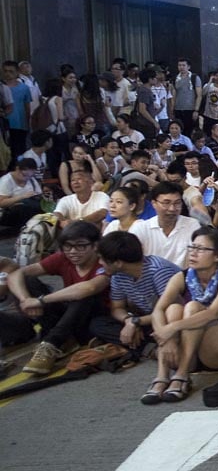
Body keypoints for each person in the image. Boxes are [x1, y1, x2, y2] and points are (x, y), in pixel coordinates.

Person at [141, 227, 218, 403]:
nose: (194, 253)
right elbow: (158, 309)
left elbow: (213, 313)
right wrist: (168, 338)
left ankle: (182, 375)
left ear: (217, 256)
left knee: (193, 308)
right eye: (192, 248)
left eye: (201, 249)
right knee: (172, 309)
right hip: (190, 350)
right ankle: (162, 375)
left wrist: (172, 328)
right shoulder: (182, 276)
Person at [9, 222, 111, 375]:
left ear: (95, 246)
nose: (73, 252)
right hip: (69, 316)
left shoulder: (104, 262)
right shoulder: (63, 258)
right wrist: (25, 299)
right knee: (27, 282)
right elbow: (16, 274)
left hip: (93, 318)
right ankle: (61, 339)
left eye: (80, 246)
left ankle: (51, 344)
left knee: (82, 296)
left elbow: (90, 288)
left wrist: (41, 300)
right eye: (67, 246)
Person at [93, 231, 185, 350]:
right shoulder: (118, 275)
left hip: (170, 321)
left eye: (102, 259)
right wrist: (128, 320)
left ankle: (144, 349)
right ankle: (148, 349)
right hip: (145, 319)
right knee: (97, 324)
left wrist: (136, 322)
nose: (100, 263)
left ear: (118, 262)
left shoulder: (159, 271)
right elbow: (117, 308)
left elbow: (173, 311)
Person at [130, 182, 202, 268]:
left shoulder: (192, 225)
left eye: (177, 203)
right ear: (154, 203)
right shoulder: (141, 228)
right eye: (166, 203)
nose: (172, 209)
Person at [0, 158, 42, 229]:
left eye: (30, 176)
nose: (26, 178)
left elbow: (39, 194)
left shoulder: (31, 180)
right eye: (24, 175)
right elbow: (1, 203)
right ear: (17, 169)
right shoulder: (6, 181)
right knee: (23, 208)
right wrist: (22, 197)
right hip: (8, 213)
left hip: (29, 211)